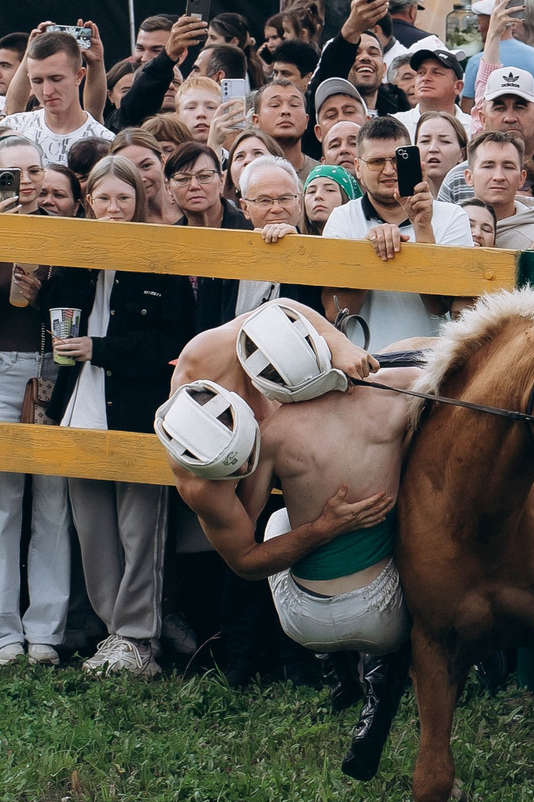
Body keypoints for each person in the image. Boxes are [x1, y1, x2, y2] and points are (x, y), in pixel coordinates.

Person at [164, 299, 421, 772]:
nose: (243, 469)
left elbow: (281, 306)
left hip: (312, 604)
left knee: (285, 519)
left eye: (247, 458)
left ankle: (359, 672)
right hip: (369, 607)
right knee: (298, 523)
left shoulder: (216, 350)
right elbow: (244, 561)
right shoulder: (200, 485)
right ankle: (358, 663)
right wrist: (327, 526)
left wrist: (339, 344)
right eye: (235, 469)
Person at [41, 157, 197, 677]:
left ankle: (137, 638)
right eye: (104, 199)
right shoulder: (74, 256)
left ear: (138, 204)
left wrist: (99, 348)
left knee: (140, 529)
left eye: (123, 200)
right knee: (94, 531)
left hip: (136, 411)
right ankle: (117, 636)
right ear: (89, 201)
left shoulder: (160, 258)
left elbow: (168, 346)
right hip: (78, 409)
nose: (113, 209)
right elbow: (53, 317)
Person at [0, 147, 72, 666]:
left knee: (53, 503)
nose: (25, 181)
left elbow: (75, 307)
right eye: (14, 172)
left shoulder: (64, 226)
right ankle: (2, 633)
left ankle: (46, 632)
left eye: (34, 171)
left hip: (55, 371)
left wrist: (44, 289)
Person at [320, 115, 471, 348]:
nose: (389, 170)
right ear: (358, 169)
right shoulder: (342, 217)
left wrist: (422, 227)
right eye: (377, 161)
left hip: (430, 365)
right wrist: (367, 252)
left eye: (396, 160)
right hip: (365, 365)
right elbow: (336, 312)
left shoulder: (452, 216)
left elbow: (440, 306)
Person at [0, 29, 112, 165]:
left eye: (56, 79)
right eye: (37, 81)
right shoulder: (14, 128)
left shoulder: (106, 142)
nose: (47, 91)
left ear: (79, 76)